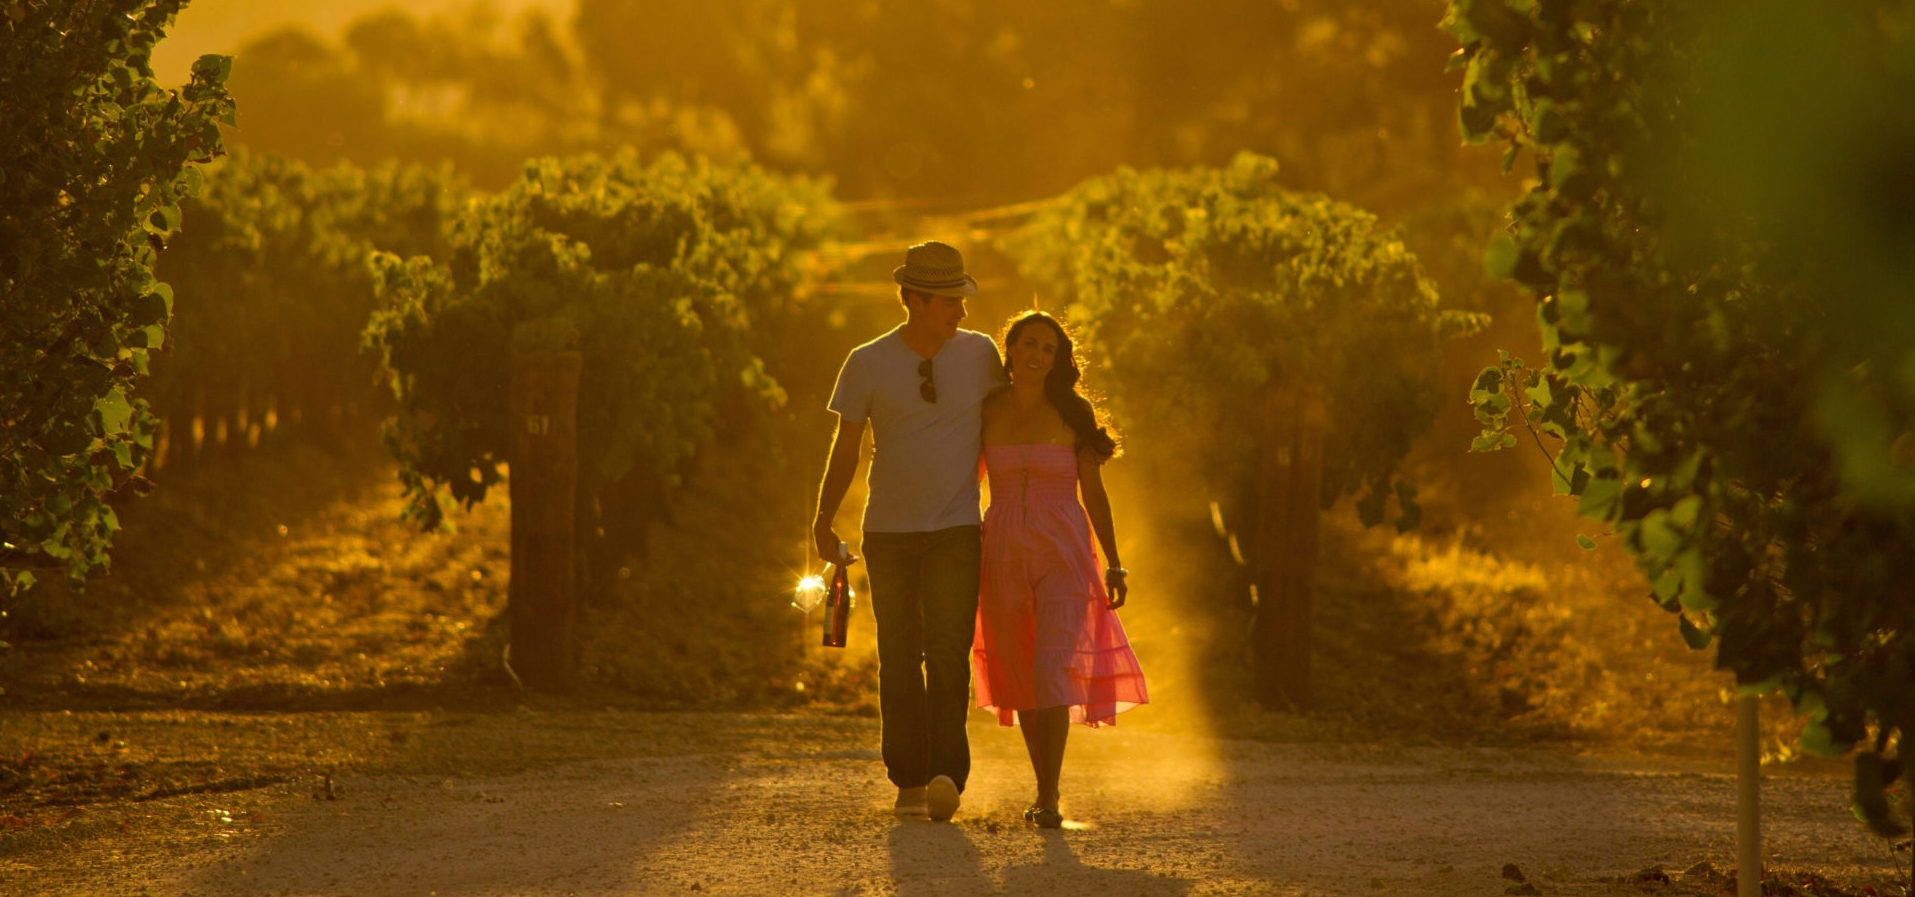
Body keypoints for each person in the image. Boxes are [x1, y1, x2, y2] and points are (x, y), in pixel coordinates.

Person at [812, 240, 1004, 822]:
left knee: (948, 653)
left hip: (956, 528)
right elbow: (845, 448)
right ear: (913, 300)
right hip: (889, 533)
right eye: (949, 301)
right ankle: (908, 780)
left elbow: (1006, 430)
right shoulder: (866, 361)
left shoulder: (981, 356)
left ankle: (947, 774)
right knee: (898, 657)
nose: (962, 313)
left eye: (963, 300)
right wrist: (822, 521)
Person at [972, 310, 1148, 829]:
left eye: (1050, 349)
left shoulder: (1072, 411)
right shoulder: (985, 410)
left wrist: (1115, 560)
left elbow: (1093, 489)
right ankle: (1040, 786)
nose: (1039, 356)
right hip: (1002, 550)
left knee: (1050, 669)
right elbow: (962, 479)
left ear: (1059, 360)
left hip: (1064, 552)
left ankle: (1049, 796)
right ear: (1011, 349)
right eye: (1030, 344)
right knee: (1024, 676)